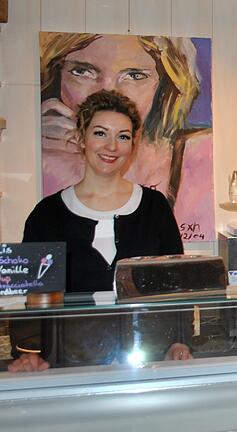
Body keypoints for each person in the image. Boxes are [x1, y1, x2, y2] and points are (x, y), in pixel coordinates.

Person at [10, 90, 190, 372]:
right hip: (72, 367)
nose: (112, 146)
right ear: (81, 138)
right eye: (100, 133)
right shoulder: (46, 215)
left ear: (133, 144)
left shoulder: (155, 208)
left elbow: (175, 288)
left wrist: (180, 342)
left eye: (123, 136)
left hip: (149, 362)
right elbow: (35, 298)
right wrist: (28, 352)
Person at [39, 32, 214, 241]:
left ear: (166, 85)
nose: (108, 90)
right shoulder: (47, 212)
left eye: (134, 75)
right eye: (82, 71)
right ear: (56, 76)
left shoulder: (159, 203)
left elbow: (171, 270)